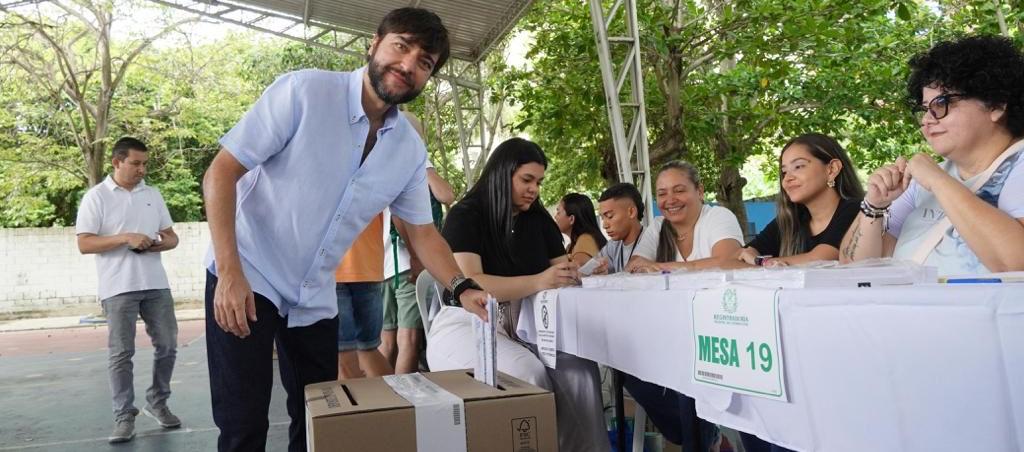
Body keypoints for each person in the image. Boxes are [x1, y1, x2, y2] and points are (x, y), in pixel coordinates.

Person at [201, 8, 488, 451]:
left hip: (316, 295)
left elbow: (423, 233)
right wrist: (229, 272)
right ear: (374, 44)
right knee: (244, 425)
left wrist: (462, 286)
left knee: (318, 421)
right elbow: (222, 173)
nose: (409, 65)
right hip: (248, 272)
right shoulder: (305, 92)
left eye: (425, 62)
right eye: (401, 46)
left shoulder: (409, 150)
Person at [426, 138, 610, 452]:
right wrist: (540, 281)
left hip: (533, 325)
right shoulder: (467, 214)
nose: (534, 189)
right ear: (502, 173)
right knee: (528, 373)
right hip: (468, 322)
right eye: (527, 180)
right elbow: (472, 283)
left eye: (538, 182)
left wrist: (581, 273)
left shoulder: (538, 221)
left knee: (580, 371)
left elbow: (558, 273)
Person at [840, 35, 1024, 275]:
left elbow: (1016, 263)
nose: (927, 120)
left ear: (996, 105)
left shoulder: (1016, 166)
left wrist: (938, 181)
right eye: (925, 109)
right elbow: (852, 268)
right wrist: (875, 204)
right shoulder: (919, 183)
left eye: (941, 104)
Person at [75, 137, 181, 443]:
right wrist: (125, 238)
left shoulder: (153, 194)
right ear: (117, 162)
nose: (142, 169)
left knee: (169, 345)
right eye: (136, 163)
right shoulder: (97, 197)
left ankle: (157, 402)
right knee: (121, 353)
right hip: (118, 287)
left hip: (156, 284)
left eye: (144, 164)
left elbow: (172, 237)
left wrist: (160, 244)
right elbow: (84, 243)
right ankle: (124, 416)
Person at [379, 111, 455, 374]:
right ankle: (403, 405)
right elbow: (446, 194)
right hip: (406, 266)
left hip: (381, 266)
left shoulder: (379, 164)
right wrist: (426, 163)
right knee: (408, 339)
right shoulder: (414, 164)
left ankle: (378, 405)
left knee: (385, 342)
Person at [734, 133, 864, 268]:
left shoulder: (857, 210)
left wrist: (761, 262)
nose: (787, 178)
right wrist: (750, 254)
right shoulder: (790, 220)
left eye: (799, 166)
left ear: (832, 169)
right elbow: (739, 256)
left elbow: (822, 259)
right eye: (784, 172)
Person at [627, 161, 744, 273]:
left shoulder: (718, 216)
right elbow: (634, 265)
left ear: (700, 191)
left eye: (679, 191)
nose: (670, 200)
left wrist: (659, 267)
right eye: (662, 194)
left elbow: (728, 262)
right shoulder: (658, 226)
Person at [334, 214, 392, 379]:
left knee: (344, 355)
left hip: (331, 268)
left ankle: (363, 404)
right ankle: (397, 401)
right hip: (368, 263)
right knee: (369, 349)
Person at [593, 183, 645, 274]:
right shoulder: (613, 246)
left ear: (631, 212)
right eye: (602, 218)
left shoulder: (652, 240)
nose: (604, 225)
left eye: (610, 216)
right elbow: (589, 269)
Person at [554, 193, 608, 263]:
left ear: (571, 219)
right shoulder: (571, 246)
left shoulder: (585, 239)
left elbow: (575, 272)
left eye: (558, 212)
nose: (555, 217)